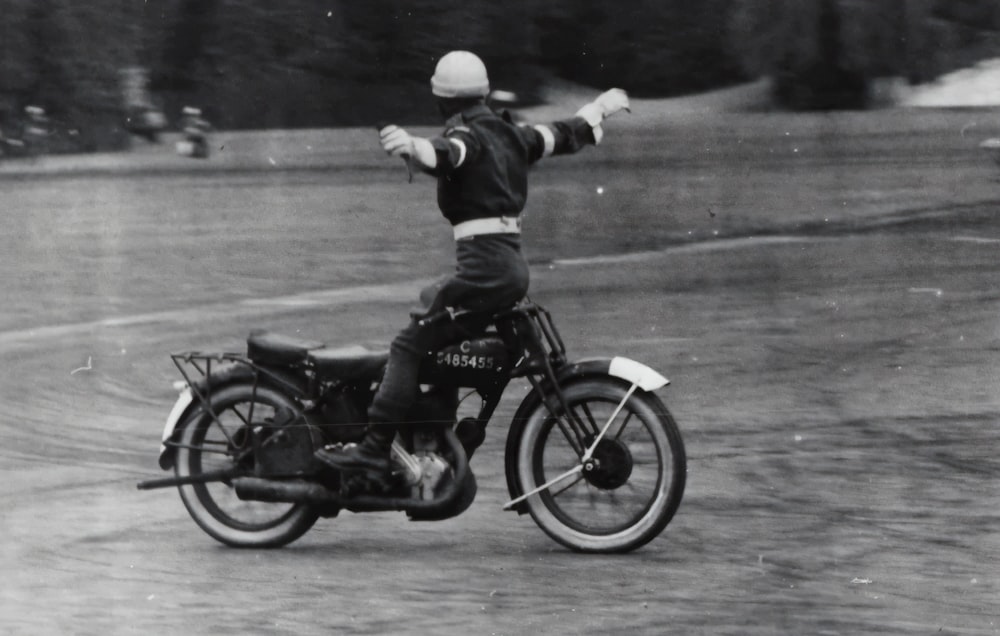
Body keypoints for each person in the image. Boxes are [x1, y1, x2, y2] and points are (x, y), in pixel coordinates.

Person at [315, 50, 630, 475]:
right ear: (483, 92)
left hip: (483, 270)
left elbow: (451, 152)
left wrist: (414, 146)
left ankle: (373, 448)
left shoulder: (468, 136)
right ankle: (436, 430)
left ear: (442, 101)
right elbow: (562, 133)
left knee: (408, 345)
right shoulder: (513, 135)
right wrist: (597, 109)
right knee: (438, 324)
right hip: (511, 268)